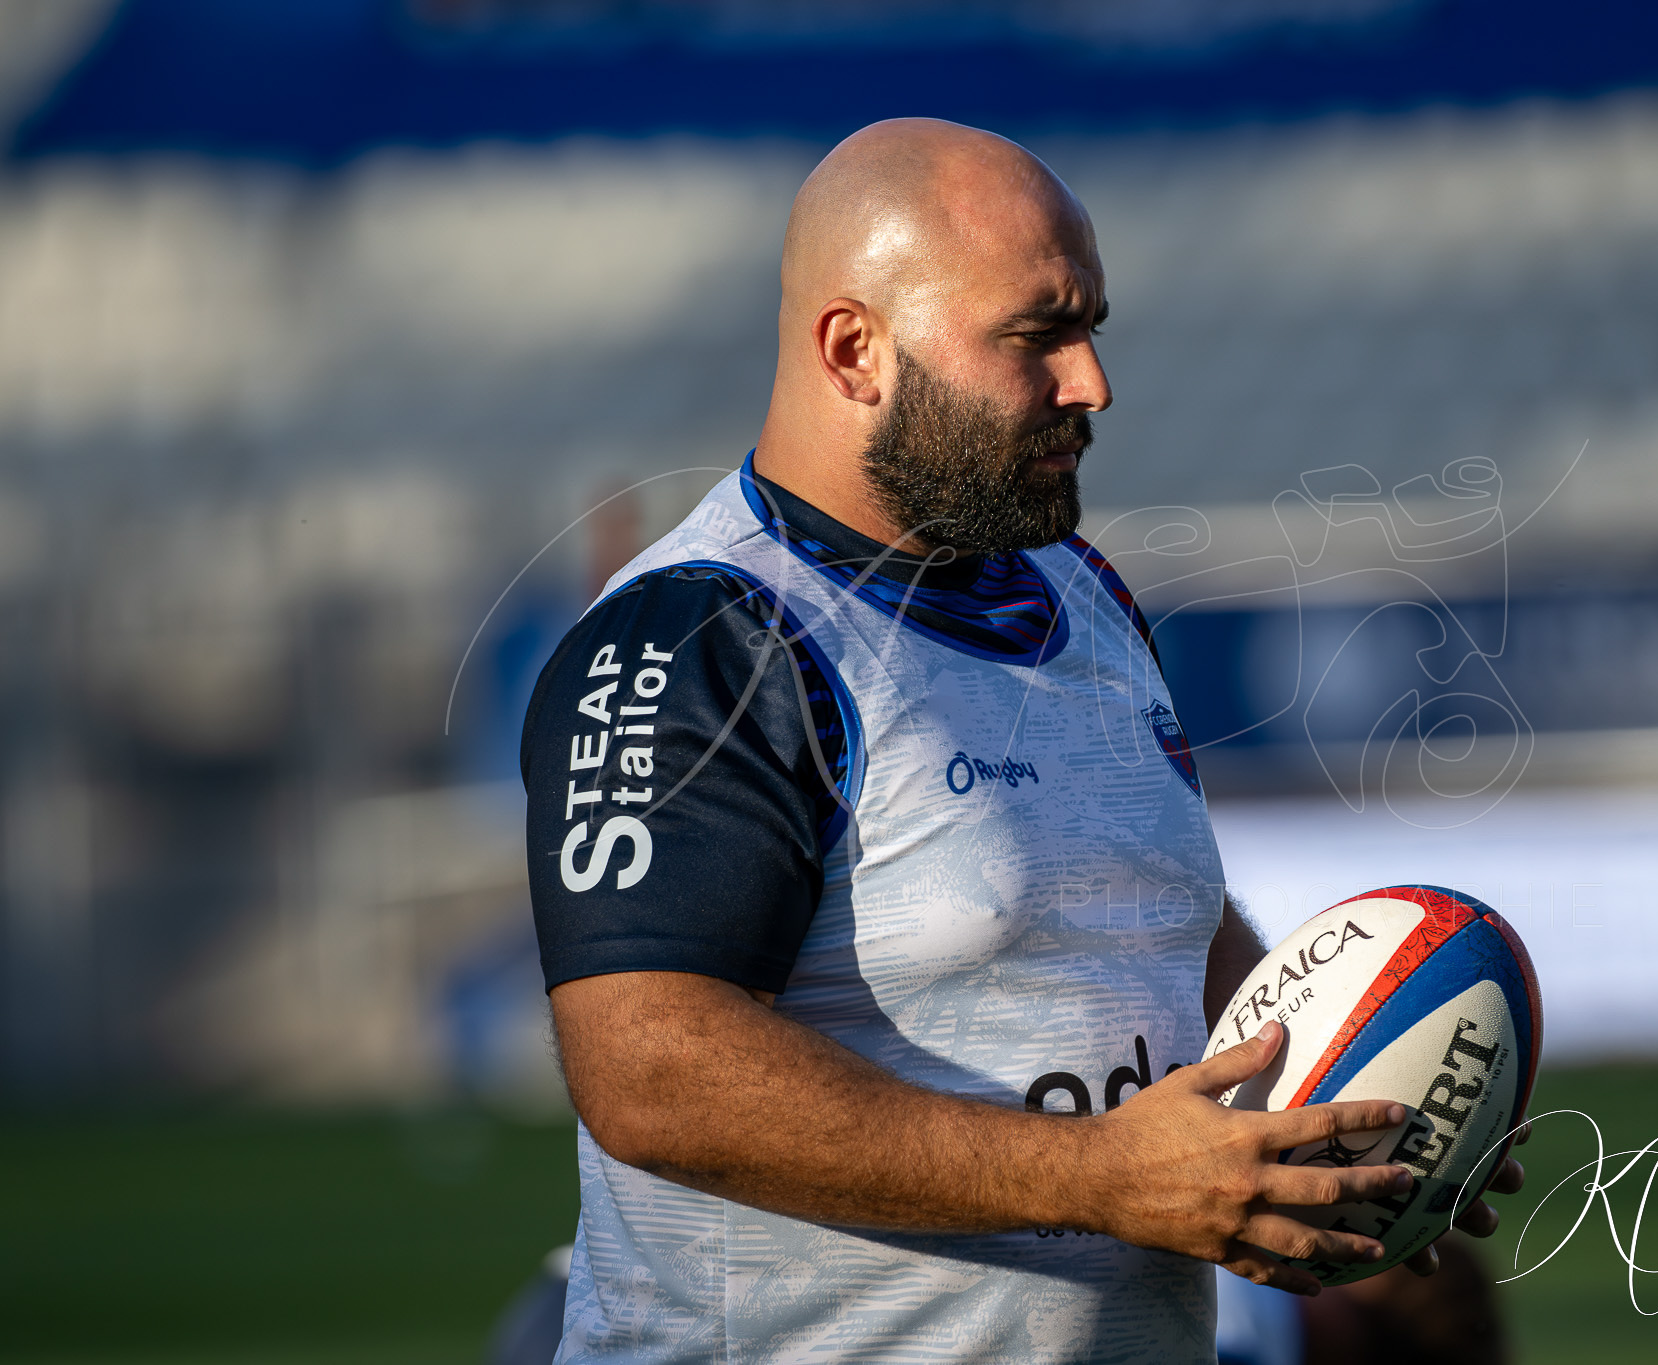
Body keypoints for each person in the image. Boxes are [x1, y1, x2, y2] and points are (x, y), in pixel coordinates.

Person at [522, 117, 1522, 1363]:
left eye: (1090, 328)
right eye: (1035, 335)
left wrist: (1332, 1118)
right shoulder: (704, 634)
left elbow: (1156, 925)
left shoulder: (1082, 592)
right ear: (853, 350)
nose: (1089, 383)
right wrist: (1098, 1177)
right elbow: (649, 1070)